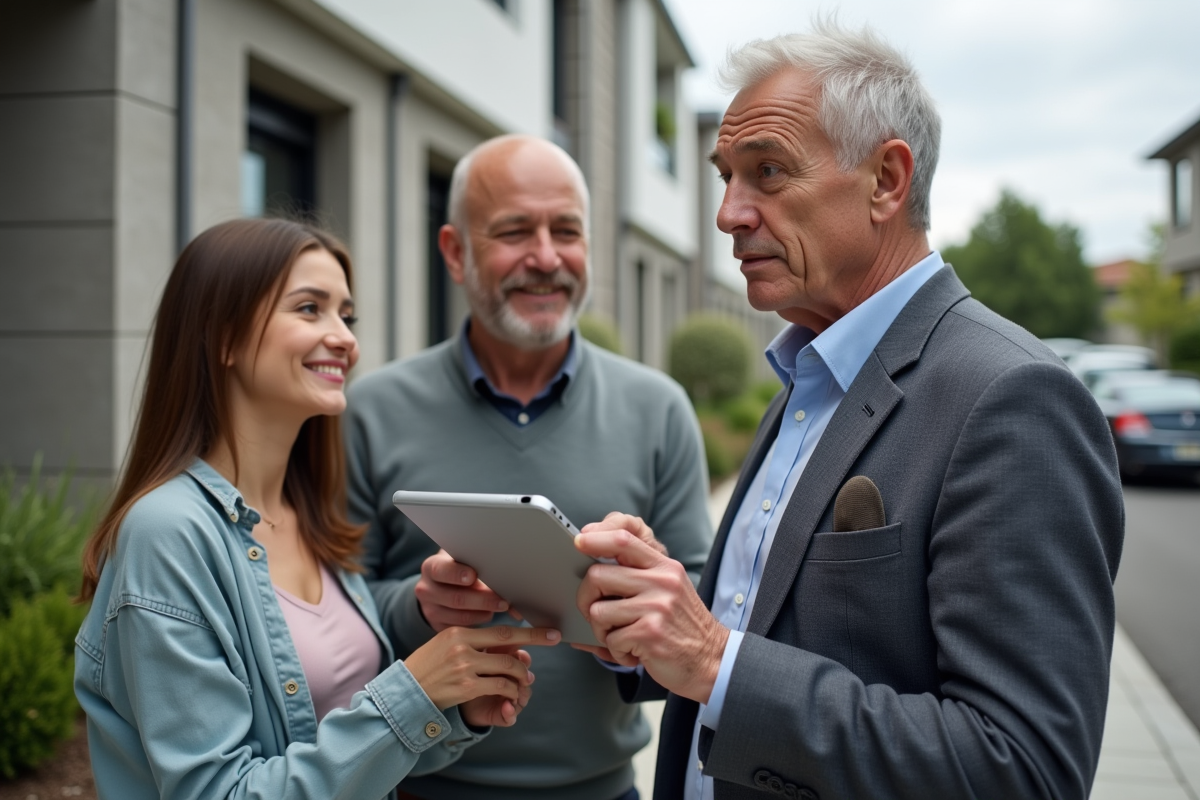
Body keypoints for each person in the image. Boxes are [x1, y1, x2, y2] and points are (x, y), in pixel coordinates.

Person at [573, 21, 1124, 800]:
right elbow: (772, 627)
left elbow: (1023, 769)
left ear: (886, 181)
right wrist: (652, 615)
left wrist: (713, 660)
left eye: (768, 171)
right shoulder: (808, 376)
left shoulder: (1013, 399)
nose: (729, 213)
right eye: (726, 176)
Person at [75, 218, 560, 799]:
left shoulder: (311, 519)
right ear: (223, 338)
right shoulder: (168, 533)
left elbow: (341, 752)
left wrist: (454, 710)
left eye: (346, 317)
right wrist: (416, 694)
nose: (345, 339)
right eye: (310, 309)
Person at [344, 134, 712, 800]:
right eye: (515, 232)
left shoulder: (658, 409)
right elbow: (327, 614)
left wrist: (644, 617)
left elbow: (706, 617)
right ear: (455, 252)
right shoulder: (369, 411)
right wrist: (418, 608)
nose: (546, 258)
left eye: (566, 231)